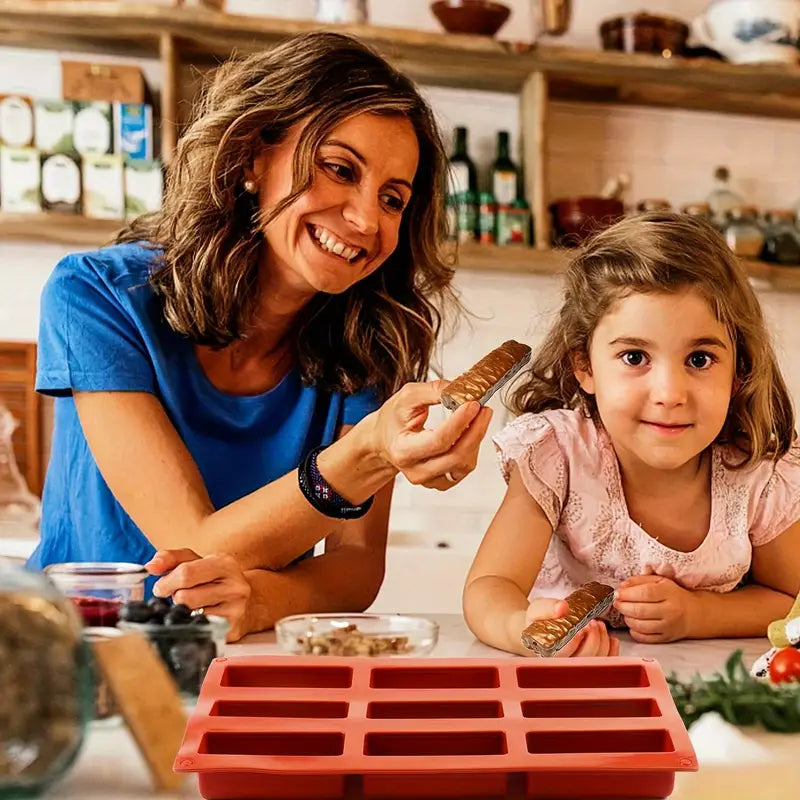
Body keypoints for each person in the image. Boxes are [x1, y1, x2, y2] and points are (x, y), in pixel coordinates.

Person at [30, 32, 493, 640]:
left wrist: (263, 600)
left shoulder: (370, 345)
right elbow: (191, 543)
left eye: (392, 198)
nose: (365, 220)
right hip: (80, 650)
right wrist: (367, 455)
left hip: (247, 654)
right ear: (253, 156)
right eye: (338, 169)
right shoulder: (96, 297)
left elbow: (355, 568)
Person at [464, 212, 800, 657]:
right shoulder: (558, 454)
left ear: (739, 372)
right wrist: (524, 629)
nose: (669, 393)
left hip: (704, 694)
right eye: (635, 356)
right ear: (584, 366)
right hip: (568, 691)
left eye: (699, 359)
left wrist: (699, 614)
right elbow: (491, 587)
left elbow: (791, 602)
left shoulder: (757, 474)